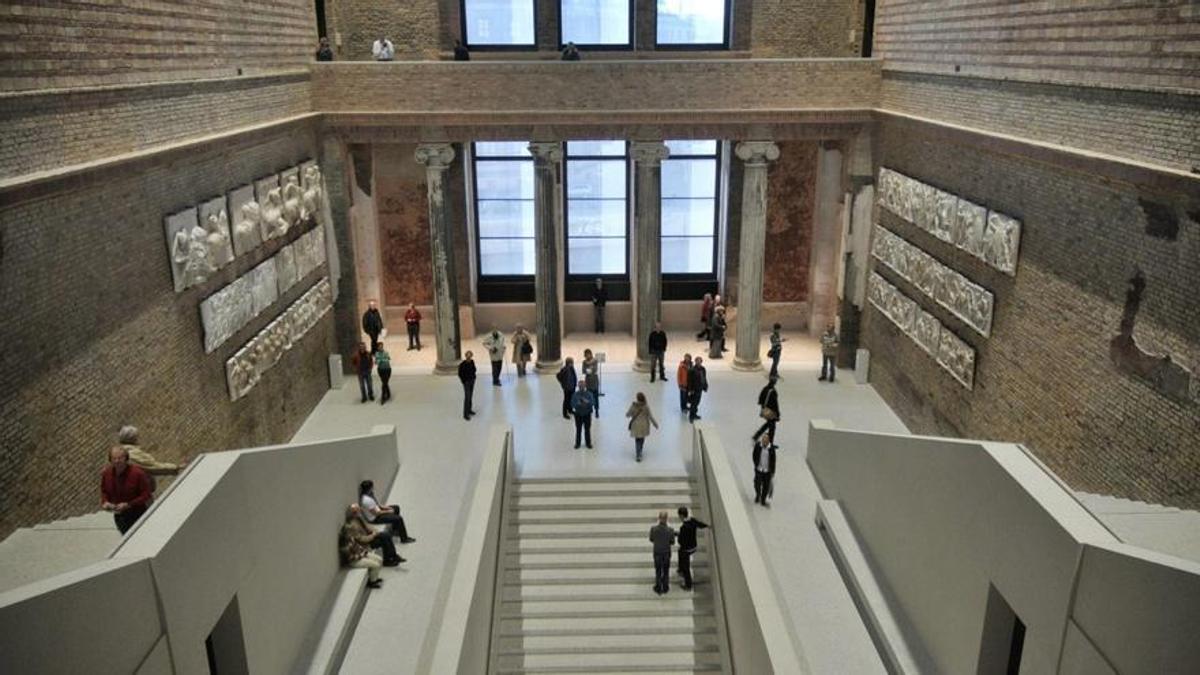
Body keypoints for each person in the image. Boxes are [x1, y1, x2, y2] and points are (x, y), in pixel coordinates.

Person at [100, 445, 154, 534]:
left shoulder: (138, 473)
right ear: (110, 460)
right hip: (119, 516)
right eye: (114, 458)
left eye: (120, 458)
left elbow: (146, 494)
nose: (117, 461)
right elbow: (104, 490)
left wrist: (128, 504)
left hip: (137, 514)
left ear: (126, 458)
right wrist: (105, 502)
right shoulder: (107, 473)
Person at [116, 426, 186, 479]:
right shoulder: (133, 454)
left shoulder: (119, 453)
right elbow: (153, 467)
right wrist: (176, 467)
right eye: (137, 437)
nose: (138, 439)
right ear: (133, 439)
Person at [340, 505, 384, 589]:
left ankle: (374, 577)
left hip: (360, 553)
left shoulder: (350, 538)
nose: (351, 534)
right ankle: (372, 582)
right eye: (350, 532)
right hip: (354, 560)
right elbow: (351, 558)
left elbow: (358, 546)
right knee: (376, 564)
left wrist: (364, 552)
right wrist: (363, 555)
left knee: (379, 559)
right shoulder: (344, 546)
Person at [677, 507, 709, 591]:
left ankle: (688, 585)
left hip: (686, 549)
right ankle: (680, 570)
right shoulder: (692, 520)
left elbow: (681, 541)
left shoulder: (683, 528)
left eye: (679, 516)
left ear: (681, 515)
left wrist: (679, 536)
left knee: (686, 567)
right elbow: (700, 524)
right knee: (679, 552)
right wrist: (708, 526)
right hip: (693, 546)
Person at [625, 392, 659, 462]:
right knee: (642, 439)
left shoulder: (633, 406)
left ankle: (638, 454)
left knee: (637, 440)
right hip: (644, 426)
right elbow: (650, 416)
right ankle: (640, 452)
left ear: (637, 398)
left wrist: (629, 414)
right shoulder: (646, 406)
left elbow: (628, 414)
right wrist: (655, 424)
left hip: (636, 426)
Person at [649, 511, 676, 595]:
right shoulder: (670, 530)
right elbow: (672, 542)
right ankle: (665, 587)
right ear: (666, 519)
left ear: (659, 518)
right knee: (666, 570)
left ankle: (658, 587)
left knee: (658, 570)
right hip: (666, 553)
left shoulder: (653, 529)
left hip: (657, 552)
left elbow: (651, 539)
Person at [753, 434, 778, 507]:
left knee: (766, 486)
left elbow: (773, 461)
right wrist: (756, 464)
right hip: (759, 469)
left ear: (768, 441)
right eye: (763, 440)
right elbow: (754, 455)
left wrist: (773, 471)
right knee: (757, 484)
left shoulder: (771, 449)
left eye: (765, 441)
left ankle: (763, 499)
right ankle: (758, 495)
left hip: (767, 471)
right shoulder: (758, 446)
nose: (764, 442)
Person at [752, 376, 780, 442]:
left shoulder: (765, 388)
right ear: (774, 382)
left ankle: (756, 436)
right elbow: (775, 404)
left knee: (768, 425)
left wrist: (763, 407)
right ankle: (770, 442)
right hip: (771, 412)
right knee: (772, 427)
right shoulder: (773, 391)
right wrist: (777, 414)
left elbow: (760, 399)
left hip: (765, 410)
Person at [571, 382, 595, 449]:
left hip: (587, 414)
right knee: (578, 429)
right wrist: (577, 403)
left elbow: (593, 403)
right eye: (580, 386)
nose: (581, 388)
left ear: (585, 386)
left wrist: (588, 402)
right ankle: (577, 443)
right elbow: (572, 404)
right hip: (578, 414)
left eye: (583, 386)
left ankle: (588, 443)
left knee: (587, 429)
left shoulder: (589, 394)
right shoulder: (575, 395)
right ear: (578, 387)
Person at [687, 356, 708, 422]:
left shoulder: (703, 369)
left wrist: (705, 385)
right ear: (695, 362)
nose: (699, 362)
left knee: (697, 402)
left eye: (700, 361)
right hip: (694, 389)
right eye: (697, 361)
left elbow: (704, 378)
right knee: (693, 403)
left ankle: (695, 414)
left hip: (700, 388)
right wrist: (690, 390)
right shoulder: (692, 370)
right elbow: (689, 381)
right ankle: (691, 416)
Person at [458, 351, 477, 420]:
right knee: (467, 397)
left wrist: (474, 377)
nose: (469, 358)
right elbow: (460, 374)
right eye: (468, 356)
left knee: (470, 396)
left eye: (470, 356)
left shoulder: (472, 362)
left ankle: (469, 410)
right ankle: (465, 414)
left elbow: (474, 369)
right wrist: (464, 381)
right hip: (466, 382)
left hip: (472, 381)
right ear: (466, 356)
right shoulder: (462, 364)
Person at [582, 349, 600, 416]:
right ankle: (590, 409)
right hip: (588, 381)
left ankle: (597, 410)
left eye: (587, 355)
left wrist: (588, 369)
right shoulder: (584, 362)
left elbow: (595, 369)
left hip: (594, 380)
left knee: (595, 397)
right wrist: (590, 369)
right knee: (589, 396)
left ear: (590, 354)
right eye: (585, 355)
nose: (586, 356)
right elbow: (583, 371)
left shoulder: (595, 361)